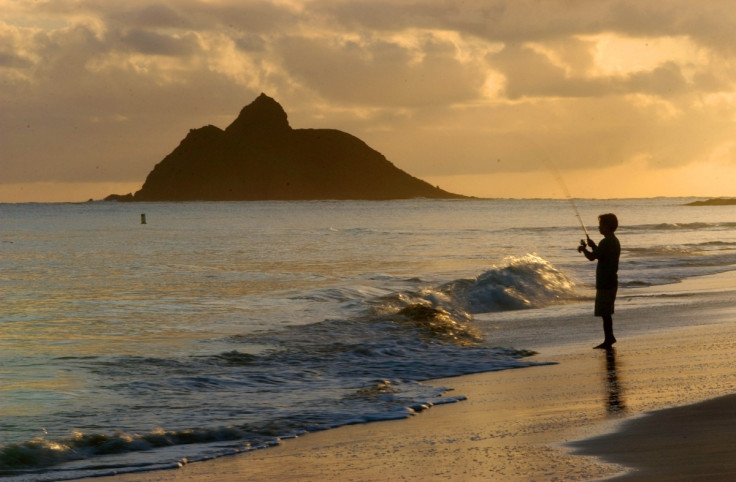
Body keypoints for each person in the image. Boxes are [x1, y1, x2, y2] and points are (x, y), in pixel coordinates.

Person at [578, 213, 620, 349]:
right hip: (610, 280)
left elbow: (592, 257)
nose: (599, 227)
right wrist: (593, 245)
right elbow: (601, 255)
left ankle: (609, 339)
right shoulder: (613, 240)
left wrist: (584, 249)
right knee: (606, 313)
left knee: (605, 313)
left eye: (601, 225)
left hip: (605, 282)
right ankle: (609, 338)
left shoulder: (606, 241)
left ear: (607, 227)